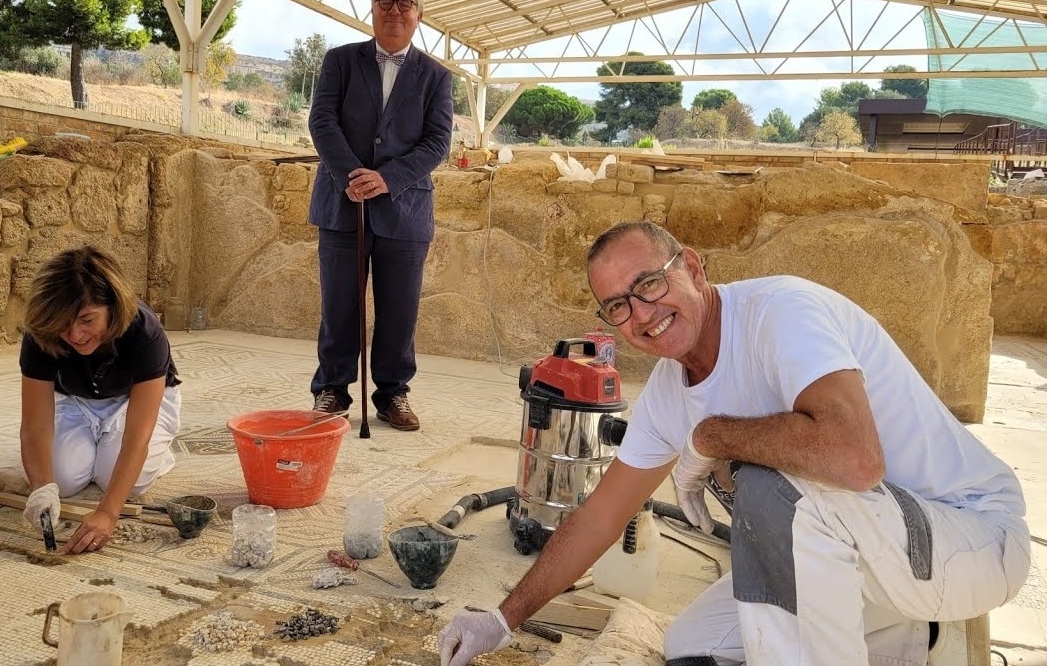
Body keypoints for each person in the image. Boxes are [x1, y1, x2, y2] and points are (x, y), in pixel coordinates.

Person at [439, 221, 1029, 665]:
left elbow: (855, 459)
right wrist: (502, 617)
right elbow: (599, 518)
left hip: (968, 538)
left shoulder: (780, 312)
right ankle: (908, 636)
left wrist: (711, 436)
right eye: (619, 306)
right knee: (693, 647)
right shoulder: (670, 389)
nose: (643, 314)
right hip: (879, 565)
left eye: (650, 283)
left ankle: (909, 623)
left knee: (776, 490)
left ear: (692, 268)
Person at [306, 0, 453, 432]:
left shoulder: (437, 77)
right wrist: (353, 175)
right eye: (386, 2)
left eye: (404, 4)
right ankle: (332, 388)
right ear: (372, 9)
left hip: (405, 211)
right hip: (340, 202)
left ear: (419, 14)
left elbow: (437, 143)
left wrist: (385, 179)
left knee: (400, 309)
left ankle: (393, 393)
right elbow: (322, 121)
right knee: (339, 304)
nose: (394, 11)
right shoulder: (339, 61)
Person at [18, 246, 183, 555]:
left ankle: (161, 452)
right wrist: (41, 488)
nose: (75, 334)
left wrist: (107, 514)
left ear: (113, 307)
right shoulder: (41, 332)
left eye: (86, 320)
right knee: (61, 482)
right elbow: (34, 423)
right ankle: (92, 444)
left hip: (135, 402)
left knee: (121, 482)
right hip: (79, 401)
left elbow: (137, 435)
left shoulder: (145, 331)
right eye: (63, 324)